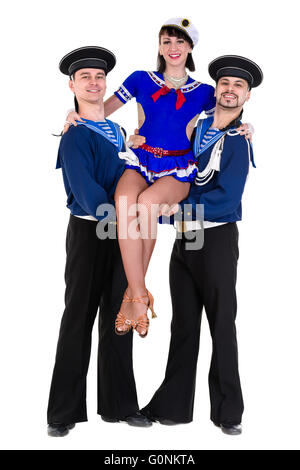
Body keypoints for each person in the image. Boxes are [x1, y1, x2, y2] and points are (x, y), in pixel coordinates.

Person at [64, 19, 252, 340]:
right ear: (159, 47)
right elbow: (101, 110)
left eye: (180, 42)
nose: (173, 48)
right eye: (166, 41)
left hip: (179, 166)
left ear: (190, 48)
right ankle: (138, 293)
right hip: (141, 160)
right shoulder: (140, 79)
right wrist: (74, 115)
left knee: (148, 204)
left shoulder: (205, 91)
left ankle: (130, 297)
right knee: (125, 203)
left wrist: (246, 127)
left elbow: (226, 110)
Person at [141, 55, 263, 436]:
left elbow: (227, 199)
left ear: (247, 95)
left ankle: (229, 412)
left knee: (222, 324)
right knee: (184, 324)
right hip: (185, 236)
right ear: (217, 90)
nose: (230, 89)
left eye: (238, 86)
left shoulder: (239, 141)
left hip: (216, 238)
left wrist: (177, 206)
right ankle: (172, 407)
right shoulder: (197, 127)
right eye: (225, 83)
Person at [47, 46, 152, 437]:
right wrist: (126, 215)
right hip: (92, 232)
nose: (94, 83)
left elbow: (133, 173)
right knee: (78, 317)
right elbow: (86, 190)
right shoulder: (74, 134)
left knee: (120, 315)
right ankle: (62, 412)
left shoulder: (118, 132)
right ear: (72, 85)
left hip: (123, 233)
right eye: (85, 77)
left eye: (99, 77)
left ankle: (120, 404)